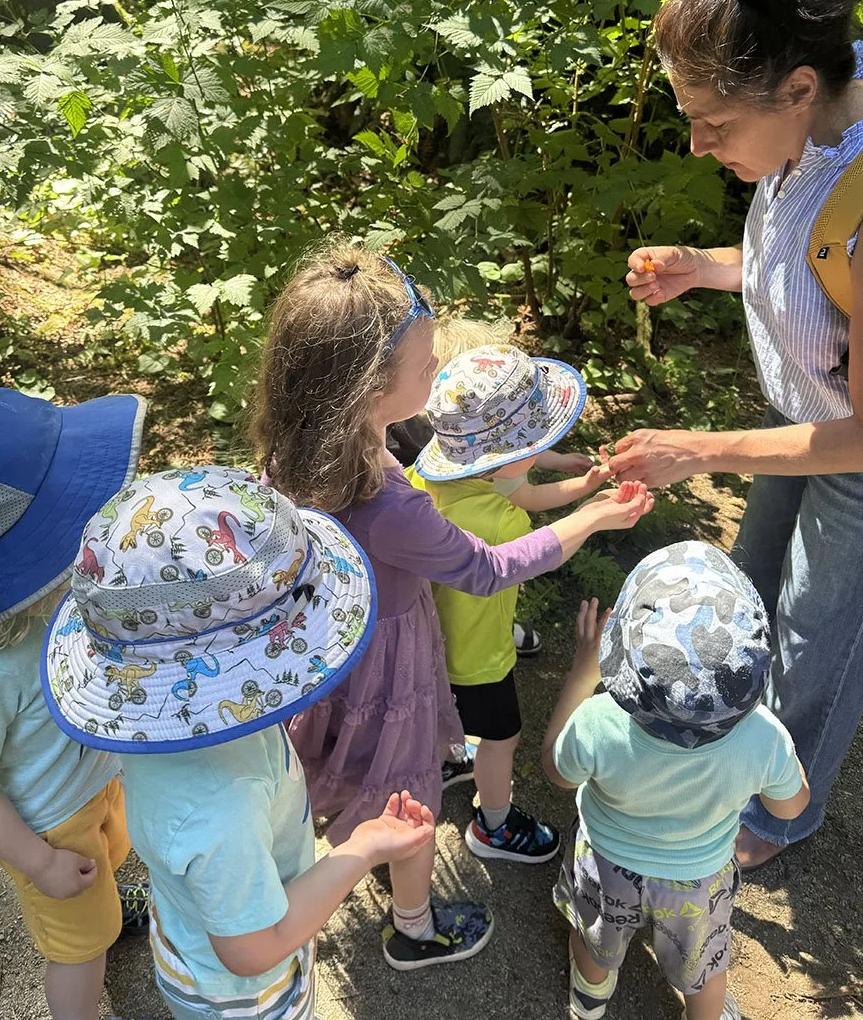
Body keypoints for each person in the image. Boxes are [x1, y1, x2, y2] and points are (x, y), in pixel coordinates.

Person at [250, 242, 654, 970]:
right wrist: (592, 517)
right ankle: (414, 923)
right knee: (407, 793)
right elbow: (486, 566)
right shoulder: (385, 493)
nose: (436, 375)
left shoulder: (293, 451)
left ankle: (363, 834)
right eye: (426, 365)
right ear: (371, 386)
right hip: (387, 658)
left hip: (328, 642)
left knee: (358, 761)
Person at [605, 0, 863, 869]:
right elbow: (803, 273)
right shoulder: (814, 127)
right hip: (800, 419)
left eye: (713, 123)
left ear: (798, 87)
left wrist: (698, 449)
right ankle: (737, 744)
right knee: (755, 582)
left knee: (820, 635)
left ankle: (776, 812)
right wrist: (704, 267)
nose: (697, 144)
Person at [43, 466, 436, 1020]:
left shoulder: (157, 721)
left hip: (197, 936)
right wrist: (363, 849)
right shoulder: (220, 807)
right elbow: (253, 951)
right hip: (247, 1000)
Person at [0, 386, 160, 1020]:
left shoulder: (52, 594)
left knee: (111, 852)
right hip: (48, 826)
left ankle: (105, 899)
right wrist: (39, 862)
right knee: (77, 947)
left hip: (93, 779)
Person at [542, 542, 810, 1020]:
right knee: (702, 968)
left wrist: (581, 676)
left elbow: (557, 772)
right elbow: (791, 805)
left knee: (596, 937)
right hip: (698, 880)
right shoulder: (764, 737)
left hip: (606, 865)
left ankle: (590, 997)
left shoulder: (600, 720)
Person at [407, 345, 611, 863]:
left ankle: (448, 757)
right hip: (476, 656)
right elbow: (536, 528)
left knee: (437, 708)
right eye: (539, 440)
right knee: (501, 737)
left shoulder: (426, 474)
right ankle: (493, 826)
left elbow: (512, 472)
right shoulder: (500, 524)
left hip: (427, 638)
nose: (546, 444)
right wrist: (593, 507)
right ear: (505, 455)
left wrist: (568, 470)